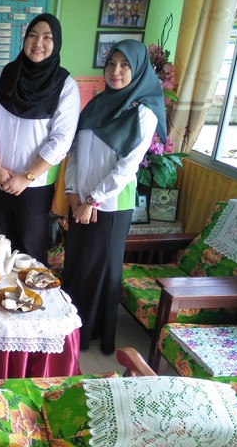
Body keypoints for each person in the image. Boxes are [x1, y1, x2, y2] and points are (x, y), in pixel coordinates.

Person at [63, 39, 166, 354]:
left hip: (109, 206)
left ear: (138, 70)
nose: (115, 71)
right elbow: (76, 152)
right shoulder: (96, 105)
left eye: (124, 65)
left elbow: (127, 167)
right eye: (111, 64)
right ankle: (70, 329)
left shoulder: (143, 114)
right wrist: (72, 192)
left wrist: (92, 200)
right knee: (77, 265)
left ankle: (91, 334)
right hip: (80, 201)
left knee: (98, 270)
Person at [0, 13, 80, 265]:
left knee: (30, 253)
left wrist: (26, 177)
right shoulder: (5, 75)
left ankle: (32, 292)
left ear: (56, 43)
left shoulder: (65, 85)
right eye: (33, 35)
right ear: (25, 39)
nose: (38, 43)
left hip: (35, 186)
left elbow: (61, 140)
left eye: (47, 38)